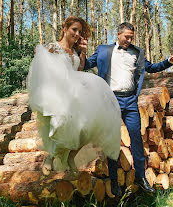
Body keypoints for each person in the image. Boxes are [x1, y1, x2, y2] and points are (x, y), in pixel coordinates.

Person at [84, 22, 173, 196]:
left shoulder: (137, 53)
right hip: (110, 100)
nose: (129, 40)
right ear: (118, 34)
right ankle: (114, 180)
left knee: (136, 137)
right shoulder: (103, 50)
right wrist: (76, 51)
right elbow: (85, 64)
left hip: (130, 100)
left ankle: (140, 177)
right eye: (126, 37)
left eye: (131, 37)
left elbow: (151, 68)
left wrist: (168, 62)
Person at [27, 16, 122, 172]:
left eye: (80, 31)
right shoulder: (53, 47)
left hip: (75, 93)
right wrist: (40, 54)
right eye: (74, 29)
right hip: (59, 94)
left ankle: (71, 155)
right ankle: (51, 156)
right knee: (60, 125)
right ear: (65, 28)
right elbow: (42, 66)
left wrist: (83, 52)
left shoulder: (76, 52)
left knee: (88, 127)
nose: (77, 34)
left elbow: (79, 70)